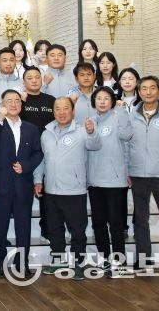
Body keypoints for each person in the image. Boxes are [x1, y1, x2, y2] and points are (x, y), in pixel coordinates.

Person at [35, 97, 100, 280]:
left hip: (74, 191)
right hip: (51, 190)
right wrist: (38, 180)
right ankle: (58, 261)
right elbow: (42, 159)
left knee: (77, 230)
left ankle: (79, 264)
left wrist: (92, 132)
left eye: (66, 108)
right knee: (54, 229)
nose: (62, 112)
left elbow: (95, 145)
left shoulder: (82, 132)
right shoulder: (46, 133)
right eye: (58, 108)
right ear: (53, 111)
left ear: (73, 111)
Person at [0, 89, 43, 279]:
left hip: (23, 186)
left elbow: (38, 153)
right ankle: (0, 264)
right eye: (9, 100)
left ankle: (22, 264)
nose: (13, 104)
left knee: (23, 228)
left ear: (22, 104)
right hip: (1, 185)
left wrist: (26, 166)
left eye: (17, 100)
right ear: (2, 104)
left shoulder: (31, 128)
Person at [127, 76, 159, 279]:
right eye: (144, 89)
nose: (148, 92)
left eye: (152, 88)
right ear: (139, 92)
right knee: (140, 219)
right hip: (138, 174)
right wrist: (127, 170)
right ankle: (143, 260)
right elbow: (126, 144)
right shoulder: (132, 115)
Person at [87, 87, 132, 276]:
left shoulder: (118, 116)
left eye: (106, 98)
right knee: (98, 222)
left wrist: (121, 111)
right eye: (99, 98)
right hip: (95, 181)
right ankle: (104, 258)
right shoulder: (90, 121)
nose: (102, 101)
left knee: (116, 223)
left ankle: (119, 260)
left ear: (112, 101)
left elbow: (127, 136)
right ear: (94, 101)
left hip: (115, 180)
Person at [19, 66, 55, 240]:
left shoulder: (51, 100)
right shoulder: (20, 101)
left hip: (48, 153)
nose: (34, 80)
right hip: (26, 155)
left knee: (46, 194)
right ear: (24, 81)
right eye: (30, 77)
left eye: (37, 77)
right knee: (25, 193)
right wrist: (21, 102)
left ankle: (46, 229)